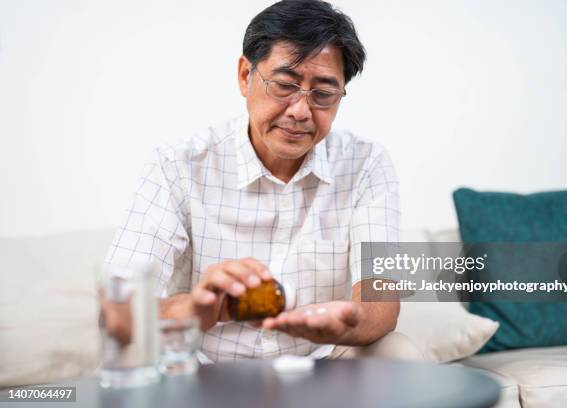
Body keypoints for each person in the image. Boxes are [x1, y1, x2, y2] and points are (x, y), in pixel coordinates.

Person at [106, 0, 422, 362]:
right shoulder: (178, 165)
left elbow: (381, 303)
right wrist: (197, 308)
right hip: (200, 370)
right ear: (245, 76)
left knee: (398, 352)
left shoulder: (367, 164)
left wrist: (346, 323)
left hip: (320, 369)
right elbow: (118, 309)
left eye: (322, 94)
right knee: (129, 353)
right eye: (285, 85)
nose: (301, 111)